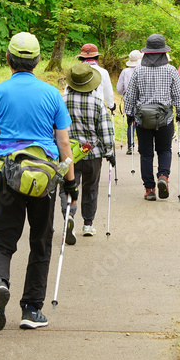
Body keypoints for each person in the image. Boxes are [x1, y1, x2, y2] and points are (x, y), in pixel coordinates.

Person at [0, 32, 75, 332]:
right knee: (41, 242)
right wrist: (69, 181)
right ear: (37, 61)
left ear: (7, 59)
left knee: (2, 241)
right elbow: (63, 143)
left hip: (8, 176)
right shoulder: (51, 95)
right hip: (44, 179)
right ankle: (31, 310)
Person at [122, 34, 180, 201]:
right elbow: (178, 94)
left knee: (146, 153)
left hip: (143, 119)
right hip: (165, 118)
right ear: (164, 52)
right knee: (164, 150)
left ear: (146, 52)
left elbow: (130, 95)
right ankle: (163, 177)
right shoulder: (171, 70)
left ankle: (149, 189)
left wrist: (129, 114)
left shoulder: (138, 70)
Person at [62, 62, 116, 240]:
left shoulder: (62, 101)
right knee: (90, 188)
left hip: (68, 153)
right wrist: (109, 151)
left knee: (68, 186)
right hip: (93, 154)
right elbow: (106, 131)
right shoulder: (97, 103)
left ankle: (69, 216)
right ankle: (88, 224)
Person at [116, 50, 142, 154]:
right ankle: (142, 145)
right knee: (141, 123)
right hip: (142, 100)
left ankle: (130, 145)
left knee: (130, 122)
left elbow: (119, 89)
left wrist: (124, 93)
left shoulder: (125, 72)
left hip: (128, 100)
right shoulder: (143, 70)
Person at [77, 43, 116, 113]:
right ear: (96, 57)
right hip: (96, 108)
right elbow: (108, 92)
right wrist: (111, 105)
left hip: (77, 108)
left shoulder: (75, 71)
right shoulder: (103, 72)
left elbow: (67, 91)